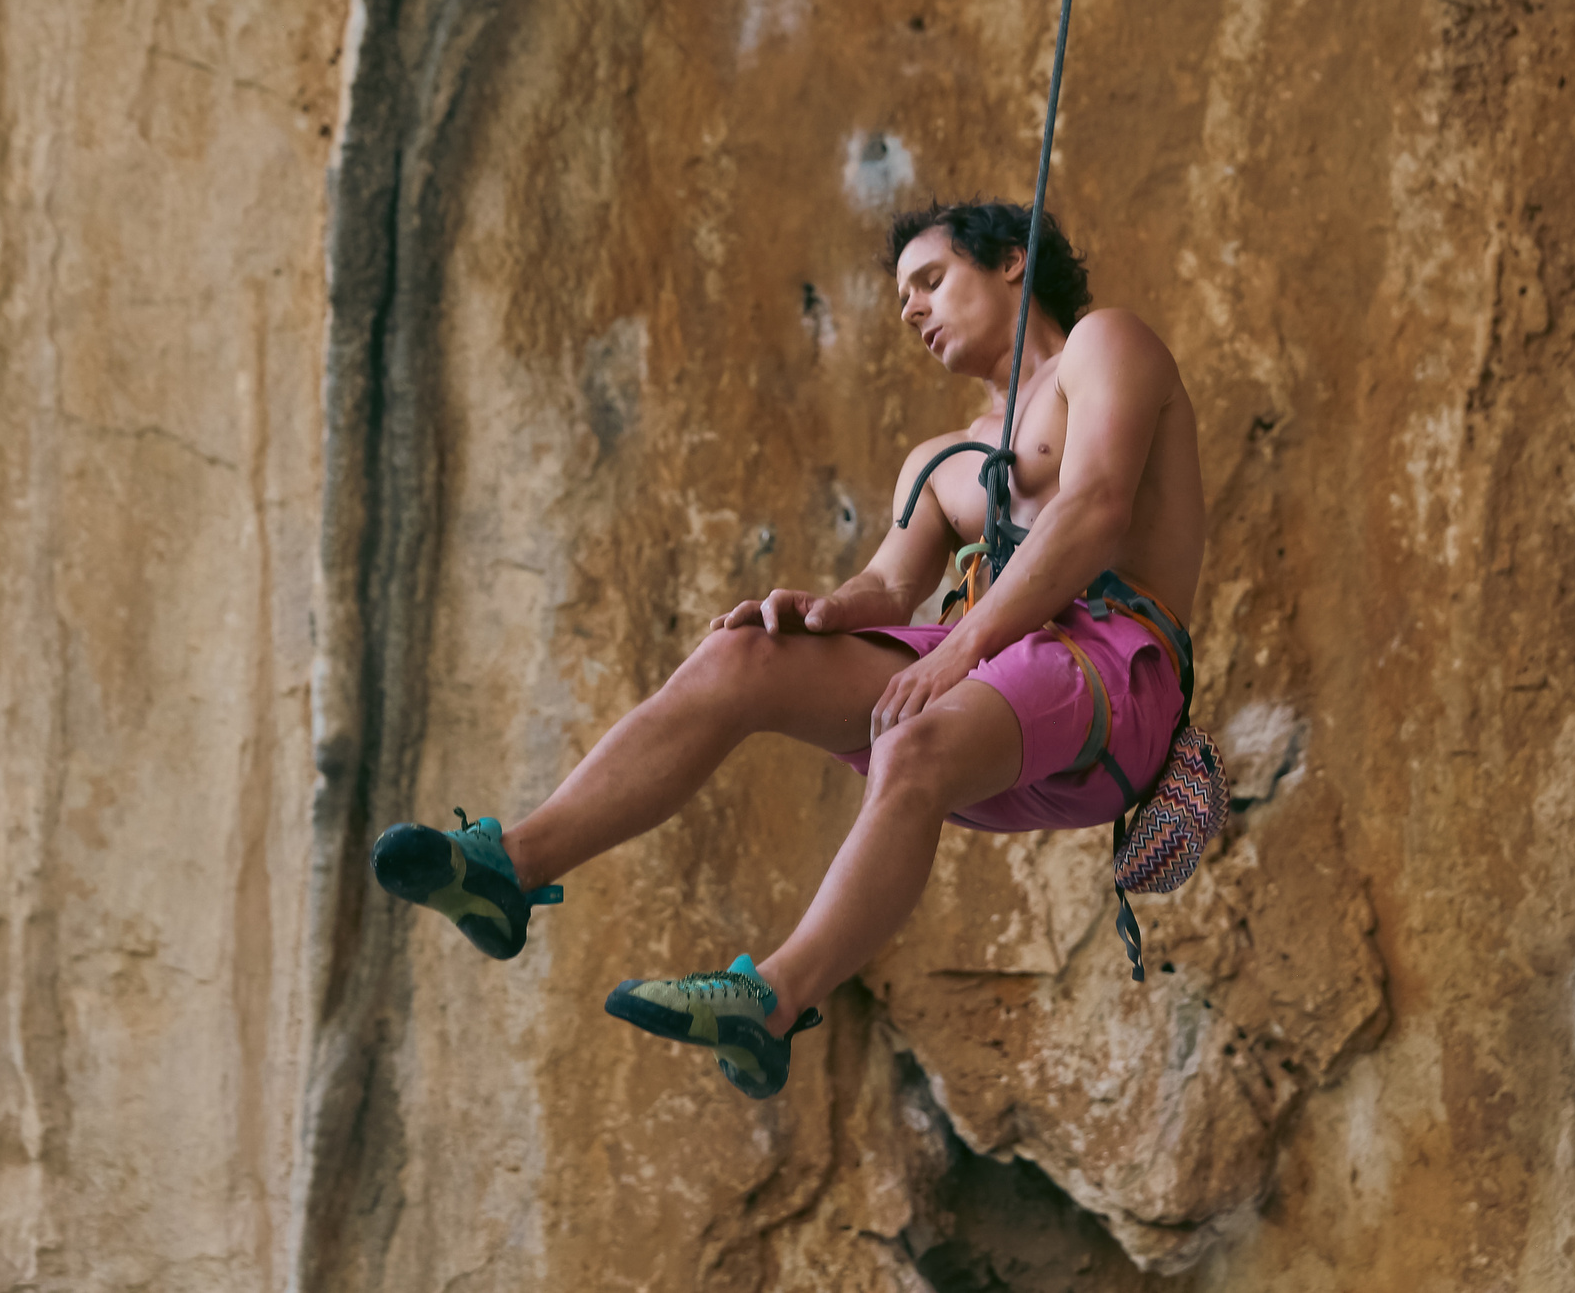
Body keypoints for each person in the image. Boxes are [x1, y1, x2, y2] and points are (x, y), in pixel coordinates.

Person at [370, 199, 1206, 1098]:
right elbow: (888, 588)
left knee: (913, 740)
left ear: (1012, 261)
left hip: (1113, 675)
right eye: (902, 301)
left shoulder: (1102, 346)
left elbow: (1093, 510)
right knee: (742, 662)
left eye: (930, 280)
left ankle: (768, 1001)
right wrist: (822, 609)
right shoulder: (942, 459)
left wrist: (959, 650)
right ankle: (511, 866)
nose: (914, 311)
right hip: (998, 685)